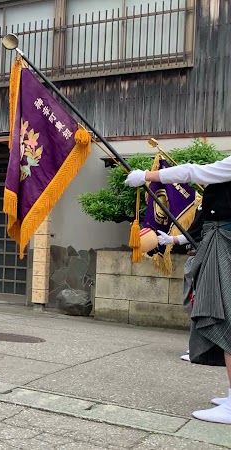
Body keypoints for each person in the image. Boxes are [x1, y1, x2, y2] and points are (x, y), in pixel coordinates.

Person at [126, 155, 231, 423]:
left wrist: (147, 176)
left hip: (225, 243)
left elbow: (194, 171)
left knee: (226, 315)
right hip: (218, 239)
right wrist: (172, 238)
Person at [156, 207, 204, 362]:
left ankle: (199, 347)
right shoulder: (205, 200)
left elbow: (195, 232)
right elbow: (194, 232)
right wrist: (173, 239)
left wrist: (173, 240)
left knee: (197, 302)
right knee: (192, 301)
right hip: (197, 255)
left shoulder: (215, 200)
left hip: (204, 256)